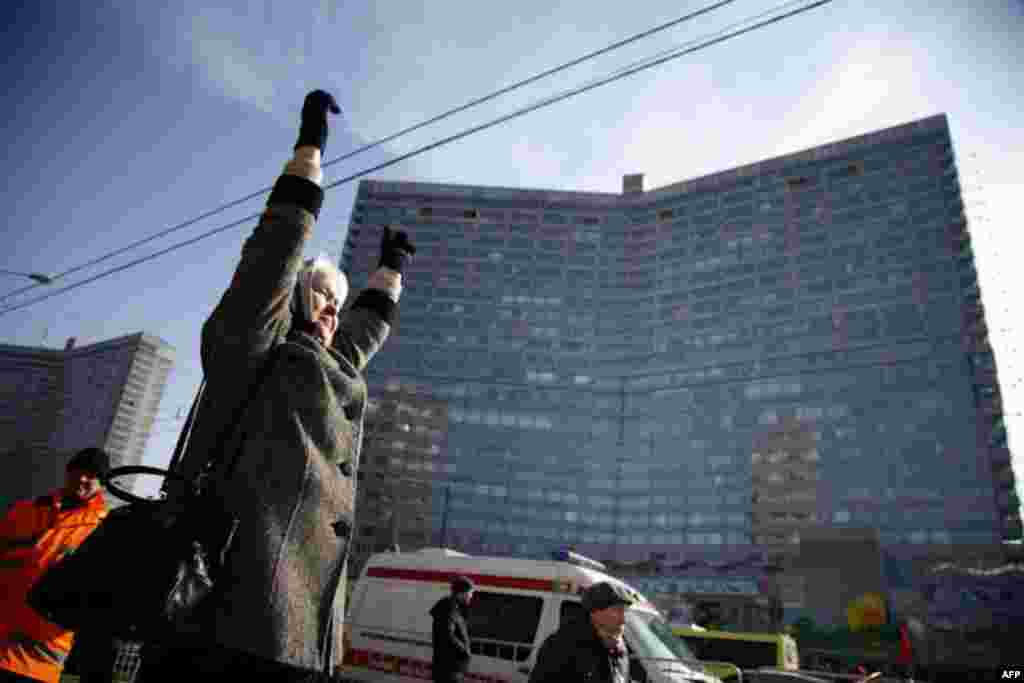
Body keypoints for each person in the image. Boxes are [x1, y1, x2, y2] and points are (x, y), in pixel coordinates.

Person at [137, 89, 414, 682]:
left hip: (297, 628)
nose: (334, 313)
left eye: (339, 305)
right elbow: (273, 257)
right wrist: (309, 153)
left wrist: (390, 275)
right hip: (222, 612)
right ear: (293, 299)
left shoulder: (325, 368)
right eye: (323, 299)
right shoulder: (254, 346)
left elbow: (358, 338)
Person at [0, 447, 111, 683]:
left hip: (37, 660)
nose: (82, 478)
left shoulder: (104, 530)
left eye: (91, 474)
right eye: (78, 470)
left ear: (102, 483)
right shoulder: (24, 511)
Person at [528, 582, 633, 683]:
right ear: (595, 612)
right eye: (617, 610)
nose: (623, 620)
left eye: (625, 611)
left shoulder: (619, 647)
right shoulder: (562, 645)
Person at [429, 576, 475, 683]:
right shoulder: (449, 608)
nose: (471, 596)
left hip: (450, 669)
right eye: (470, 593)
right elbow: (447, 635)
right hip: (449, 669)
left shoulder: (453, 607)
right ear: (462, 593)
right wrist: (465, 650)